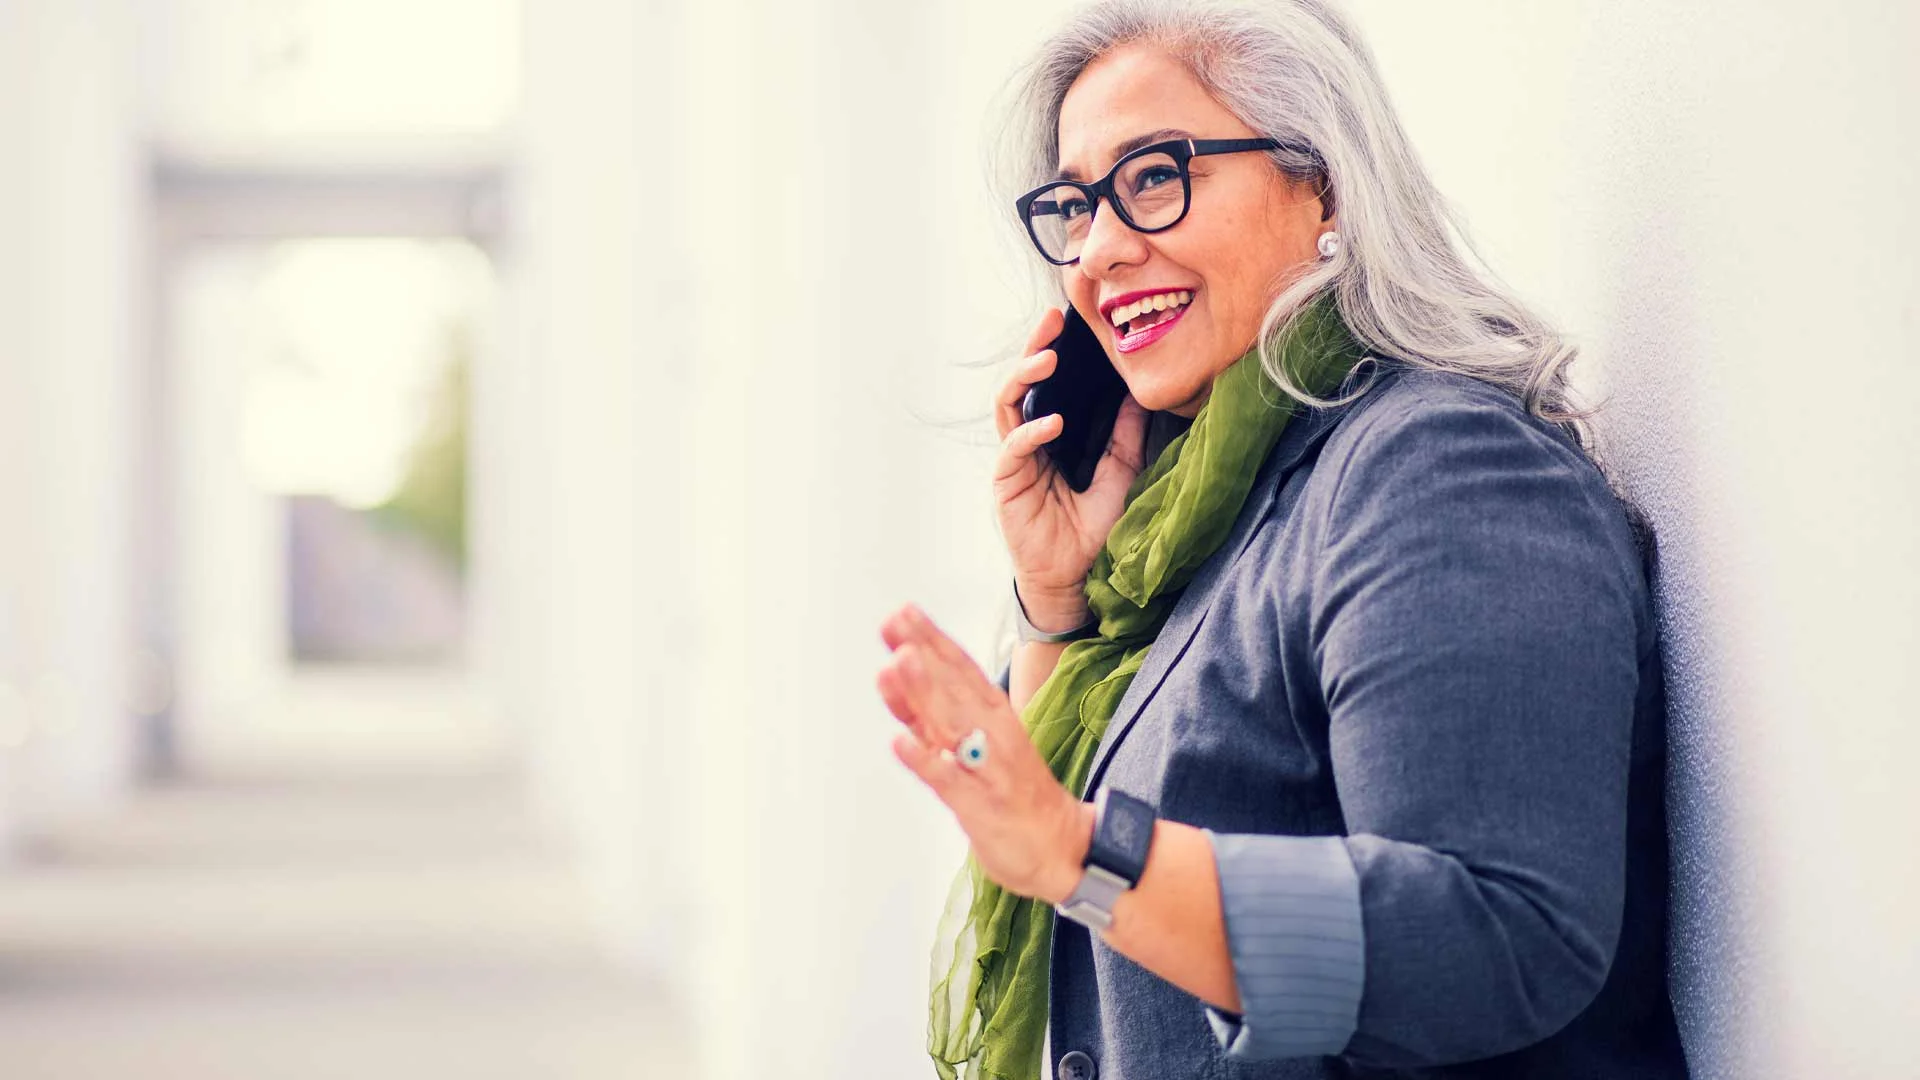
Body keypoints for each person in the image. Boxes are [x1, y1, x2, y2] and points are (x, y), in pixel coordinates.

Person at [874, 1, 1688, 1077]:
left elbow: (1499, 936)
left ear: (1326, 188)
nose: (1099, 253)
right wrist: (1057, 604)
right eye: (1075, 207)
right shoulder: (1189, 518)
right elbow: (1056, 882)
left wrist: (1085, 855)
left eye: (1154, 176)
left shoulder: (1440, 470)